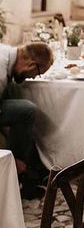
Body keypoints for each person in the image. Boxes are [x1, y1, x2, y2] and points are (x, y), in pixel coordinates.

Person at [0, 42, 54, 198]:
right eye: (38, 73)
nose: (34, 77)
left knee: (22, 106)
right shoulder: (1, 70)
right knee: (26, 110)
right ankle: (17, 173)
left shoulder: (7, 53)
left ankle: (32, 169)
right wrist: (13, 160)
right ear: (31, 64)